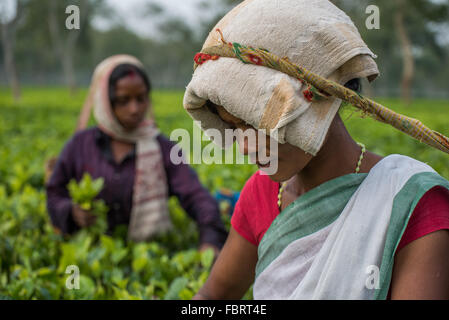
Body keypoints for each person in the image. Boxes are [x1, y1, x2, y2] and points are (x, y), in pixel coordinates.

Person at [182, 0, 449, 299]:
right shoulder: (263, 194)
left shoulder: (412, 202)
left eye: (255, 121)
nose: (245, 145)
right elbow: (210, 299)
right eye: (233, 127)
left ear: (317, 102)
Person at [46, 55, 227, 254]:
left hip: (147, 254)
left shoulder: (162, 148)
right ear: (106, 100)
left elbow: (196, 196)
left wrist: (210, 240)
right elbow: (55, 194)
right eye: (123, 101)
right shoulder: (80, 145)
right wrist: (72, 212)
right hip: (89, 253)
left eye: (141, 99)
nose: (134, 109)